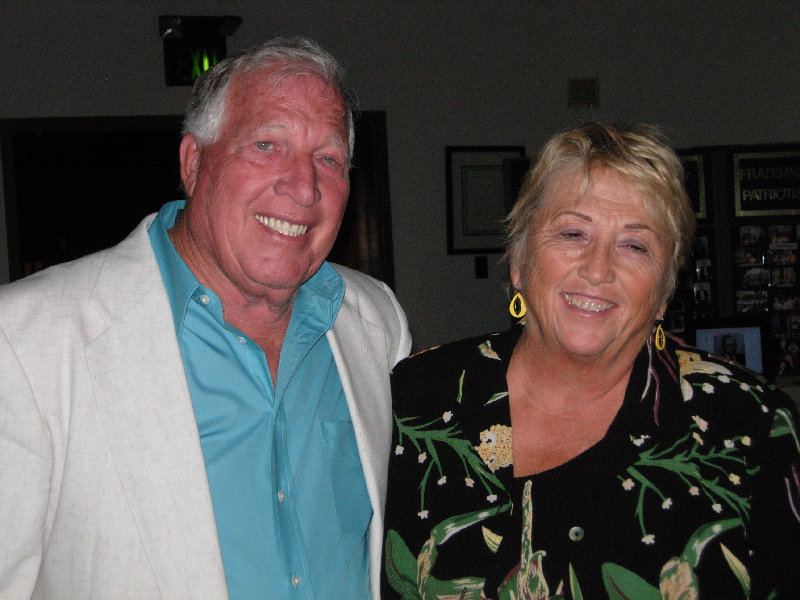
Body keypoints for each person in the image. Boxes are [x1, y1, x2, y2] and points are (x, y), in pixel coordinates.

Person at [0, 37, 411, 599]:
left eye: (329, 158)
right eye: (267, 145)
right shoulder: (26, 340)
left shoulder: (375, 322)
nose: (303, 187)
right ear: (194, 163)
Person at [382, 123, 800, 599]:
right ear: (519, 260)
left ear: (664, 289)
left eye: (635, 245)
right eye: (573, 233)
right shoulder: (414, 400)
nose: (598, 269)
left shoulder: (750, 426)